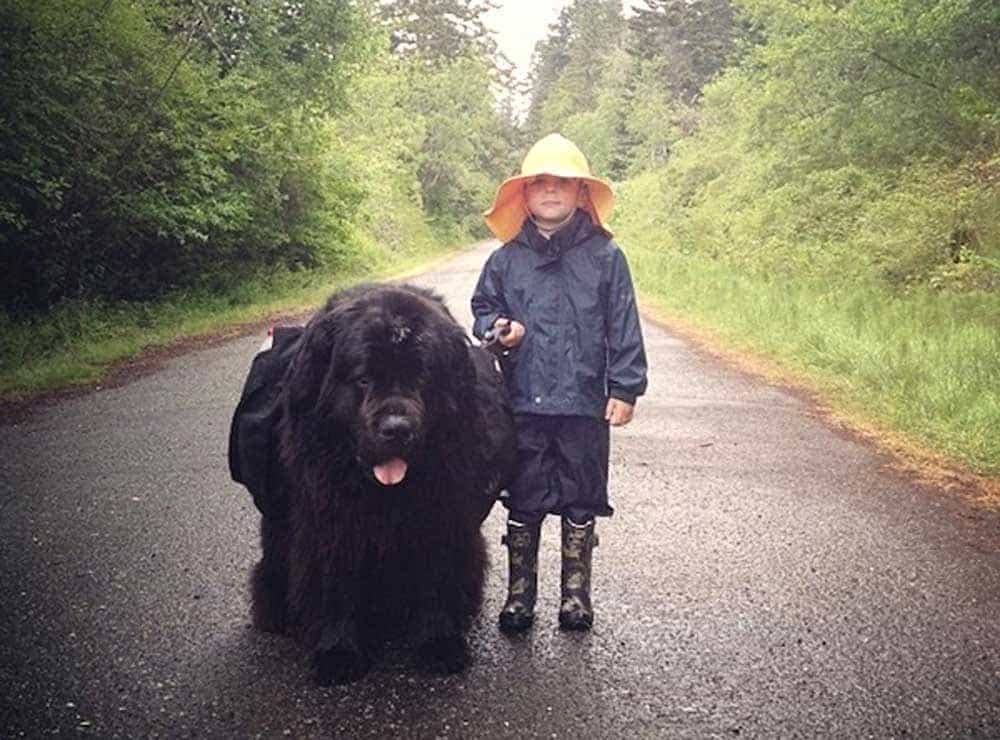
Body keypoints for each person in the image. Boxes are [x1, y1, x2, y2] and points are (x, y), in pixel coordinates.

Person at [471, 133, 648, 632]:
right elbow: (483, 310)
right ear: (524, 195)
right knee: (523, 496)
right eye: (540, 183)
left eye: (563, 183)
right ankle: (518, 598)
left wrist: (625, 388)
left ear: (581, 194)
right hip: (522, 401)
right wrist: (498, 330)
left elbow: (624, 325)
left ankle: (575, 598)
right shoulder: (505, 259)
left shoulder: (606, 257)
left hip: (584, 403)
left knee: (580, 495)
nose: (551, 191)